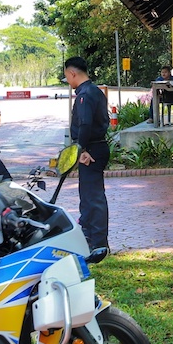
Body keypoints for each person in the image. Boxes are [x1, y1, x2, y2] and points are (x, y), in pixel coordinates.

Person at [63, 56, 110, 263]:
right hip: (95, 147)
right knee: (88, 195)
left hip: (91, 150)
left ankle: (99, 244)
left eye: (67, 77)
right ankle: (89, 239)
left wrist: (81, 149)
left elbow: (85, 124)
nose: (68, 81)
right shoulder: (93, 91)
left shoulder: (85, 95)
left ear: (73, 73)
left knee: (93, 197)